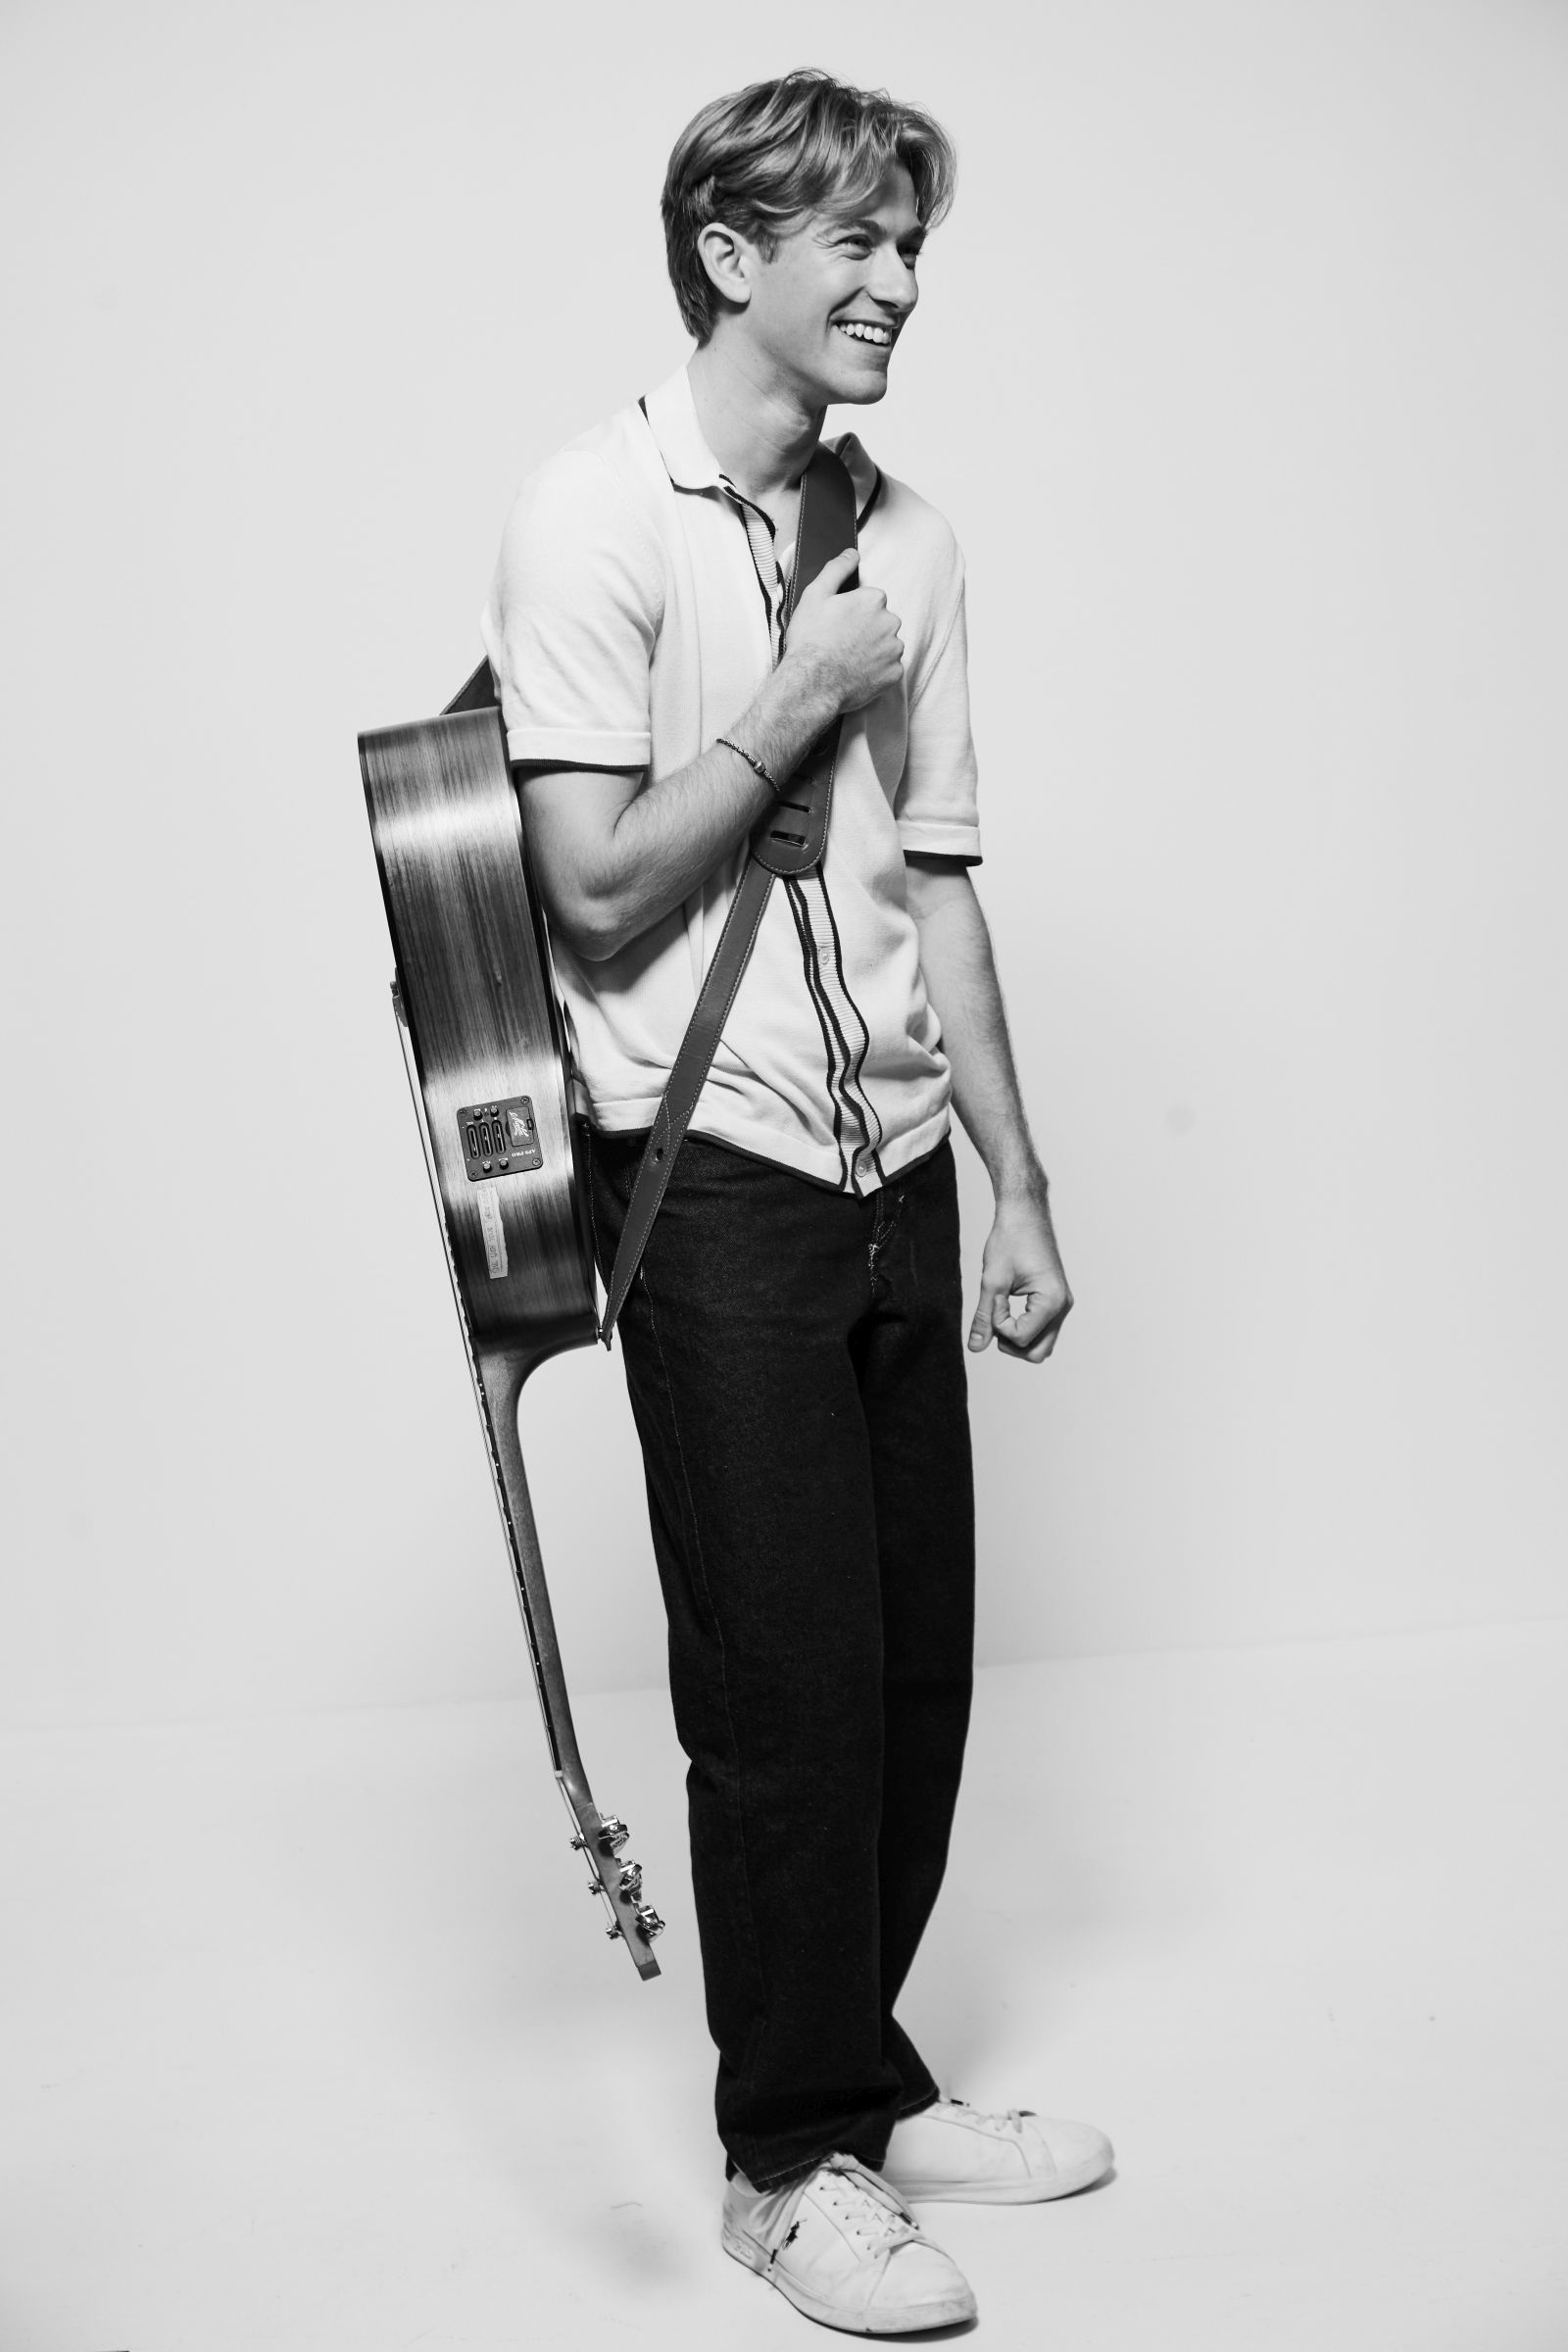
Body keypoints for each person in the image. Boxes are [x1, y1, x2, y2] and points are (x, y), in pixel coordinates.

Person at [480, 67, 1112, 2337]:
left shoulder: (915, 538)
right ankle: (784, 2164)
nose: (899, 285)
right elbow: (592, 887)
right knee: (779, 1690)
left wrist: (1018, 1185)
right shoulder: (592, 518)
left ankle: (861, 2072)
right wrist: (795, 687)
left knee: (917, 1668)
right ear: (729, 256)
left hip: (895, 1176)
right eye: (855, 242)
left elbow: (938, 886)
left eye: (911, 244)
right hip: (711, 1184)